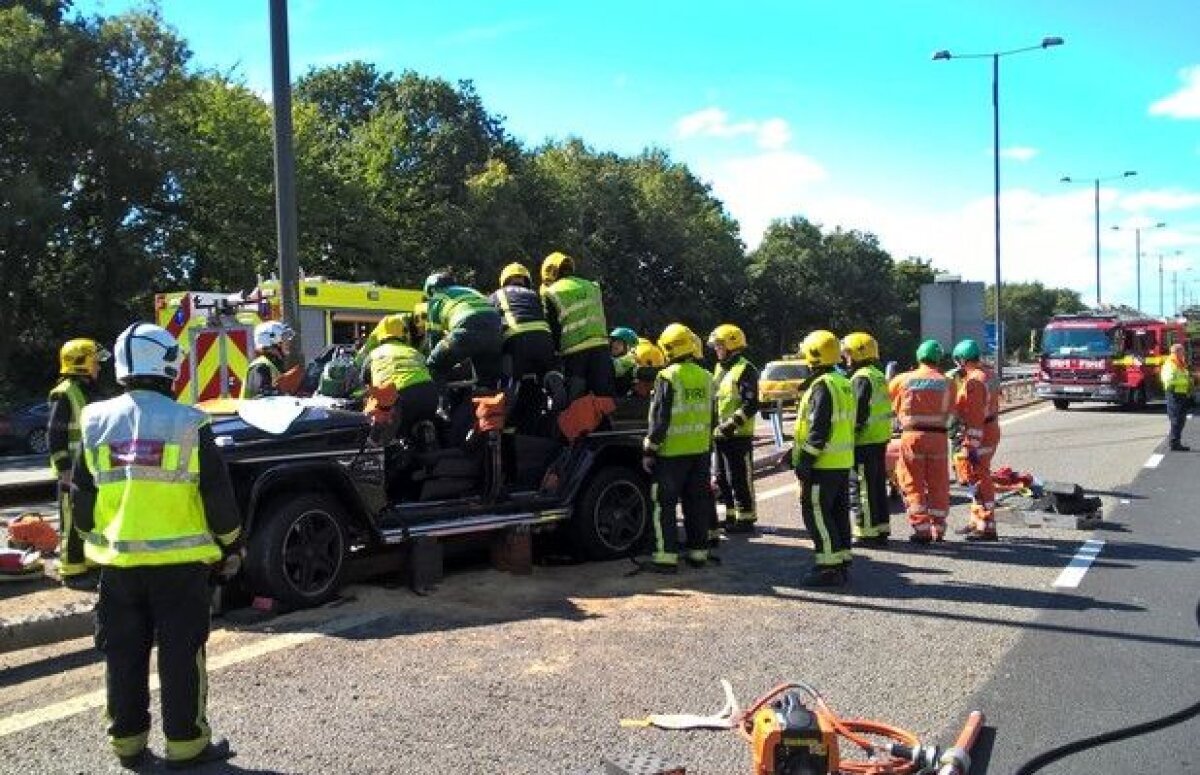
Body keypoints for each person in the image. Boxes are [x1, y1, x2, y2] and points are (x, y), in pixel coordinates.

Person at [71, 322, 241, 769]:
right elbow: (217, 495)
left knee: (122, 654)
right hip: (181, 569)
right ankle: (186, 745)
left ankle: (127, 744)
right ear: (167, 366)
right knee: (182, 655)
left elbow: (82, 494)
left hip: (118, 567)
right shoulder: (190, 422)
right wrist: (230, 543)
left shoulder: (94, 419)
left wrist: (93, 544)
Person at [642, 323, 717, 572]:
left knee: (663, 506)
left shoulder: (667, 376)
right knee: (697, 504)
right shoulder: (706, 377)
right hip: (700, 453)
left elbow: (660, 418)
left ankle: (665, 558)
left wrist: (650, 449)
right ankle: (699, 554)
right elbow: (713, 418)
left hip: (671, 456)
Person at [792, 330, 856, 587]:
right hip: (840, 462)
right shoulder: (842, 382)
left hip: (823, 463)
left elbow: (819, 428)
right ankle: (841, 558)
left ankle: (828, 567)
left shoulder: (822, 385)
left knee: (816, 512)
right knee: (838, 513)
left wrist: (805, 459)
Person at [48, 338, 110, 588]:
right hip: (71, 472)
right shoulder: (64, 393)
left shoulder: (88, 391)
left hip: (89, 469)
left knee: (90, 516)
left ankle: (89, 563)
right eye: (95, 362)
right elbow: (55, 434)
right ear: (81, 364)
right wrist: (64, 470)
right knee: (71, 521)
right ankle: (71, 571)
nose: (99, 367)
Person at [540, 251, 616, 438]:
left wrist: (553, 356)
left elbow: (553, 329)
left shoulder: (551, 293)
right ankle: (604, 438)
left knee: (575, 404)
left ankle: (575, 444)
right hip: (601, 351)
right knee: (602, 400)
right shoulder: (592, 287)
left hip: (575, 355)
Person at [888, 339, 954, 543]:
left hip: (912, 436)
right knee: (939, 483)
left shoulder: (903, 380)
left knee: (912, 482)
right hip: (939, 438)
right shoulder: (948, 382)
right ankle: (939, 529)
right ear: (939, 358)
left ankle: (921, 529)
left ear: (918, 356)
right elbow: (953, 411)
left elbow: (889, 404)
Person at [489, 262, 561, 430]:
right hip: (544, 339)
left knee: (510, 380)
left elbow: (490, 323)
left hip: (517, 339)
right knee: (544, 372)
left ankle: (507, 404)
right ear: (526, 280)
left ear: (504, 280)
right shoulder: (534, 295)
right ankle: (551, 376)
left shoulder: (496, 296)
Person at [841, 332, 893, 547]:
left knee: (861, 487)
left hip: (864, 441)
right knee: (876, 486)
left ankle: (866, 532)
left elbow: (858, 413)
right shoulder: (877, 374)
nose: (846, 359)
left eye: (848, 354)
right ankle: (881, 528)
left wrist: (848, 435)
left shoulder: (860, 378)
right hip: (878, 439)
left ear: (857, 354)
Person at [707, 324, 759, 534]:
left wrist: (732, 423)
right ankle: (730, 515)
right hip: (720, 435)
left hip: (738, 435)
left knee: (740, 478)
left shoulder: (745, 369)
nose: (717, 350)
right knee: (721, 477)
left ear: (731, 345)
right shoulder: (720, 368)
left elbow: (751, 403)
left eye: (719, 346)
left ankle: (746, 517)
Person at [952, 338, 1001, 540]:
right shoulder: (989, 374)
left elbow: (974, 415)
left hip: (979, 432)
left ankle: (987, 525)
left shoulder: (974, 381)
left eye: (957, 361)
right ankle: (976, 520)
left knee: (979, 476)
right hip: (990, 428)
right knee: (976, 475)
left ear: (963, 360)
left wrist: (971, 444)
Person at [423, 271, 504, 389]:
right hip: (495, 332)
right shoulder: (473, 292)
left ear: (430, 290)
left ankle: (440, 405)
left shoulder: (436, 297)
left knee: (433, 365)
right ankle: (488, 403)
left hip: (466, 330)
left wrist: (434, 357)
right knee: (485, 380)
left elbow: (434, 337)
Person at [367, 313, 440, 444]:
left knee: (378, 418)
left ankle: (377, 447)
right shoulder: (413, 351)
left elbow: (363, 379)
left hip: (402, 397)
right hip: (430, 394)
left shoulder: (374, 354)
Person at [241, 320, 296, 399]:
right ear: (271, 340)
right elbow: (262, 397)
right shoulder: (260, 366)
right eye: (284, 338)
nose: (288, 342)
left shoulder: (274, 365)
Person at [1162, 342, 1193, 451]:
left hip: (1181, 394)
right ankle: (1174, 443)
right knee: (1176, 419)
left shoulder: (1179, 362)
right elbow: (1169, 380)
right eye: (1182, 351)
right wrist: (1184, 382)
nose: (1184, 353)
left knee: (1180, 419)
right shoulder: (1171, 363)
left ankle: (1176, 442)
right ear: (1177, 352)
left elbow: (1184, 376)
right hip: (1174, 394)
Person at [610, 327, 640, 395]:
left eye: (619, 343)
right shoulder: (609, 356)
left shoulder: (630, 360)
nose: (614, 344)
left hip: (620, 398)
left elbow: (614, 368)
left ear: (628, 347)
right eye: (613, 341)